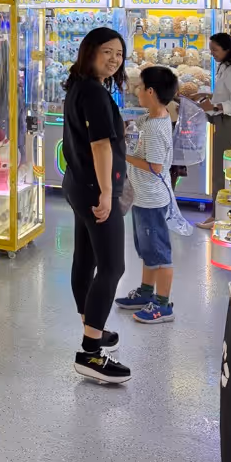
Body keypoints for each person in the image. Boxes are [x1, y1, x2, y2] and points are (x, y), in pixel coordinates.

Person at [62, 27, 131, 385]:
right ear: (89, 52)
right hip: (95, 189)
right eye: (107, 51)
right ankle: (90, 352)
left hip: (77, 184)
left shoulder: (79, 85)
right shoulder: (93, 92)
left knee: (85, 260)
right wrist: (107, 193)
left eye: (119, 53)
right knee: (112, 267)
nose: (114, 59)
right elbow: (101, 146)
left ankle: (92, 325)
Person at [115, 66, 178, 325]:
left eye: (140, 87)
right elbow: (134, 126)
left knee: (159, 253)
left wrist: (124, 156)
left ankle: (163, 305)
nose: (136, 91)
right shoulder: (153, 118)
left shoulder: (154, 128)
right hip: (143, 198)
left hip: (152, 200)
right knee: (147, 251)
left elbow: (155, 166)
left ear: (151, 92)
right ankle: (145, 293)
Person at [196, 32, 231, 227]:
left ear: (227, 49)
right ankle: (219, 215)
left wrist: (214, 107)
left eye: (215, 50)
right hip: (226, 121)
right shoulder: (226, 67)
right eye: (211, 50)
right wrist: (208, 95)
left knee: (224, 170)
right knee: (220, 169)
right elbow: (228, 94)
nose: (213, 54)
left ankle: (220, 217)